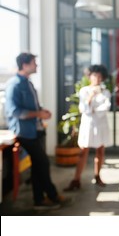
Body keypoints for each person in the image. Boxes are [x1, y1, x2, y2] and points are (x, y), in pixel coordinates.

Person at [5, 52, 72, 210]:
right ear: (25, 64)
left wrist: (41, 111)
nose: (36, 65)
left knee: (38, 165)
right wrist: (38, 114)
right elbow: (14, 111)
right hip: (24, 133)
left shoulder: (28, 82)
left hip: (35, 130)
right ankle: (51, 196)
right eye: (34, 62)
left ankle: (40, 200)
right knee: (42, 163)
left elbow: (31, 107)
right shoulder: (15, 84)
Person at [64, 64, 112, 191]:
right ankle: (76, 179)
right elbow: (83, 109)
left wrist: (92, 109)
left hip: (101, 124)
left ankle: (97, 176)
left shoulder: (106, 92)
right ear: (90, 76)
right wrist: (90, 99)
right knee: (83, 151)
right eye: (95, 75)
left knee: (100, 150)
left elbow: (105, 108)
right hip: (88, 124)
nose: (97, 78)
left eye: (100, 76)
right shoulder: (84, 91)